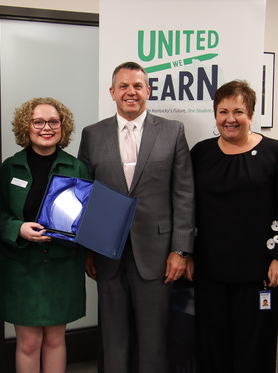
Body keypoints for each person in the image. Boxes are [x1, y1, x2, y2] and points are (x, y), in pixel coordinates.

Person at [77, 61, 195, 373]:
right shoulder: (92, 134)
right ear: (112, 92)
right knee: (113, 336)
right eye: (124, 86)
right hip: (107, 251)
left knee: (154, 337)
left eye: (138, 86)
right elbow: (85, 195)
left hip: (157, 252)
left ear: (148, 91)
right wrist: (88, 247)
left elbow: (183, 193)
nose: (131, 92)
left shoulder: (172, 132)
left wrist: (180, 250)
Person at [191, 80, 278, 373]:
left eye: (238, 111)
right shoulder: (200, 153)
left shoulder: (275, 153)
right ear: (215, 115)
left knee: (253, 344)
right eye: (223, 111)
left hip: (259, 271)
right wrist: (187, 253)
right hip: (211, 271)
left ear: (251, 115)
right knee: (212, 342)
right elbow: (187, 208)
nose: (230, 119)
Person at [0, 97, 90, 373]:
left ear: (63, 126)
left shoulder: (77, 168)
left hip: (62, 266)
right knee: (27, 342)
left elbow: (87, 218)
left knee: (55, 339)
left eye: (53, 122)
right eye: (38, 121)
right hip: (20, 268)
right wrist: (18, 228)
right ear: (27, 126)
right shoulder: (9, 167)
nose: (46, 127)